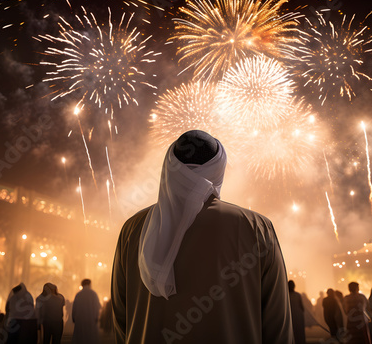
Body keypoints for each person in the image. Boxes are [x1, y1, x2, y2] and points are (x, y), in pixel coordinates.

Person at [111, 130, 293, 344]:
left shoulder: (132, 229)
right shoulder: (257, 227)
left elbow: (121, 321)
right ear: (219, 169)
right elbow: (277, 325)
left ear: (169, 165)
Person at [72, 279, 101, 344]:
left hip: (80, 319)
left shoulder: (78, 295)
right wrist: (97, 317)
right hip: (91, 318)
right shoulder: (93, 294)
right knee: (90, 336)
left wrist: (73, 317)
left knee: (80, 336)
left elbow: (74, 307)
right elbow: (97, 307)